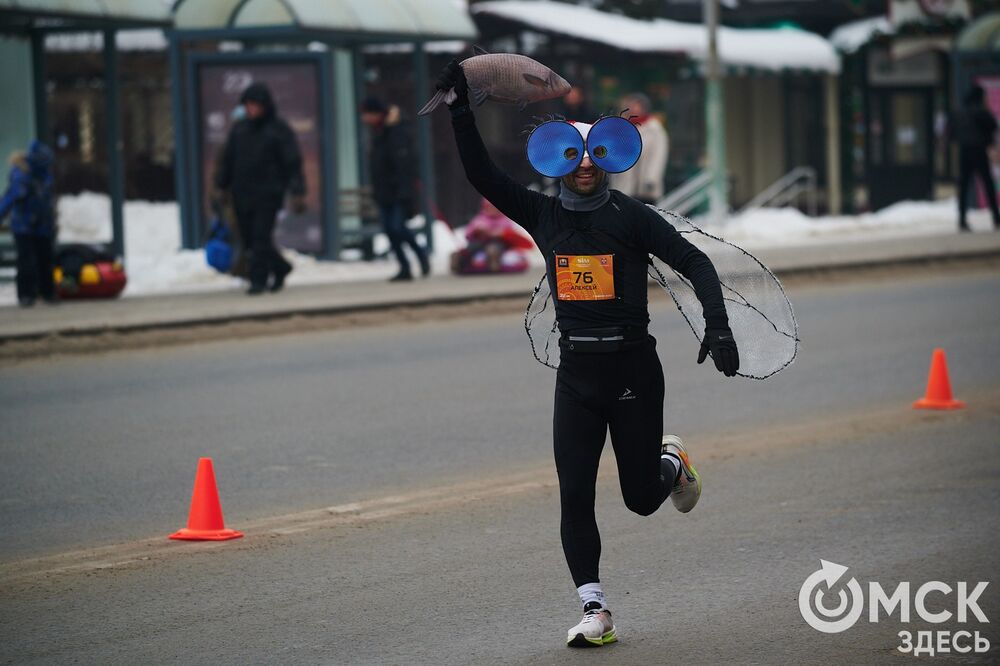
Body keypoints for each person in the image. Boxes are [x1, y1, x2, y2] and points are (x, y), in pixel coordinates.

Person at [435, 61, 739, 647]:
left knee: (640, 499)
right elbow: (481, 175)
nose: (584, 168)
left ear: (608, 158)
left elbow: (696, 263)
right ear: (558, 161)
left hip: (632, 371)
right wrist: (458, 108)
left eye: (594, 158)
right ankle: (595, 610)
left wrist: (718, 327)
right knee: (574, 492)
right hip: (576, 373)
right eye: (574, 159)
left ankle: (670, 464)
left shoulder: (631, 217)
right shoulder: (542, 215)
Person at [214, 82, 304, 295]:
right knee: (248, 239)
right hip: (242, 193)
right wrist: (221, 185)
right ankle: (281, 267)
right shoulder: (239, 129)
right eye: (248, 105)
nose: (251, 109)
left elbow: (292, 161)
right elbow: (228, 160)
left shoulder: (278, 129)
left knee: (260, 237)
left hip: (269, 193)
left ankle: (258, 280)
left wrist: (297, 190)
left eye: (255, 105)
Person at [360, 96, 430, 282]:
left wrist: (405, 191)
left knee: (397, 227)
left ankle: (421, 254)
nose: (364, 119)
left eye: (367, 114)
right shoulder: (379, 132)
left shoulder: (396, 132)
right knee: (389, 230)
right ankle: (404, 267)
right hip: (384, 191)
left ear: (376, 113)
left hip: (399, 190)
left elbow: (404, 165)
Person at [0, 140, 57, 307]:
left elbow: (47, 201)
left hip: (42, 226)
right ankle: (26, 295)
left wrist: (51, 221)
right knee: (27, 261)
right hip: (23, 226)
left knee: (45, 259)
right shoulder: (22, 176)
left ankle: (47, 292)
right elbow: (9, 198)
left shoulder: (45, 175)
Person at [950, 85, 1000, 232]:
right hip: (979, 150)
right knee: (987, 184)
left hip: (964, 151)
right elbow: (993, 126)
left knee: (964, 186)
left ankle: (961, 220)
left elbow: (951, 131)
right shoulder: (980, 111)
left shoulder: (959, 112)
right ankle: (996, 218)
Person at [609, 93, 669, 205]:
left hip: (646, 186)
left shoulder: (654, 129)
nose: (633, 109)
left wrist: (652, 178)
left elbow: (659, 155)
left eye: (637, 106)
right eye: (631, 106)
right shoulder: (622, 127)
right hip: (626, 185)